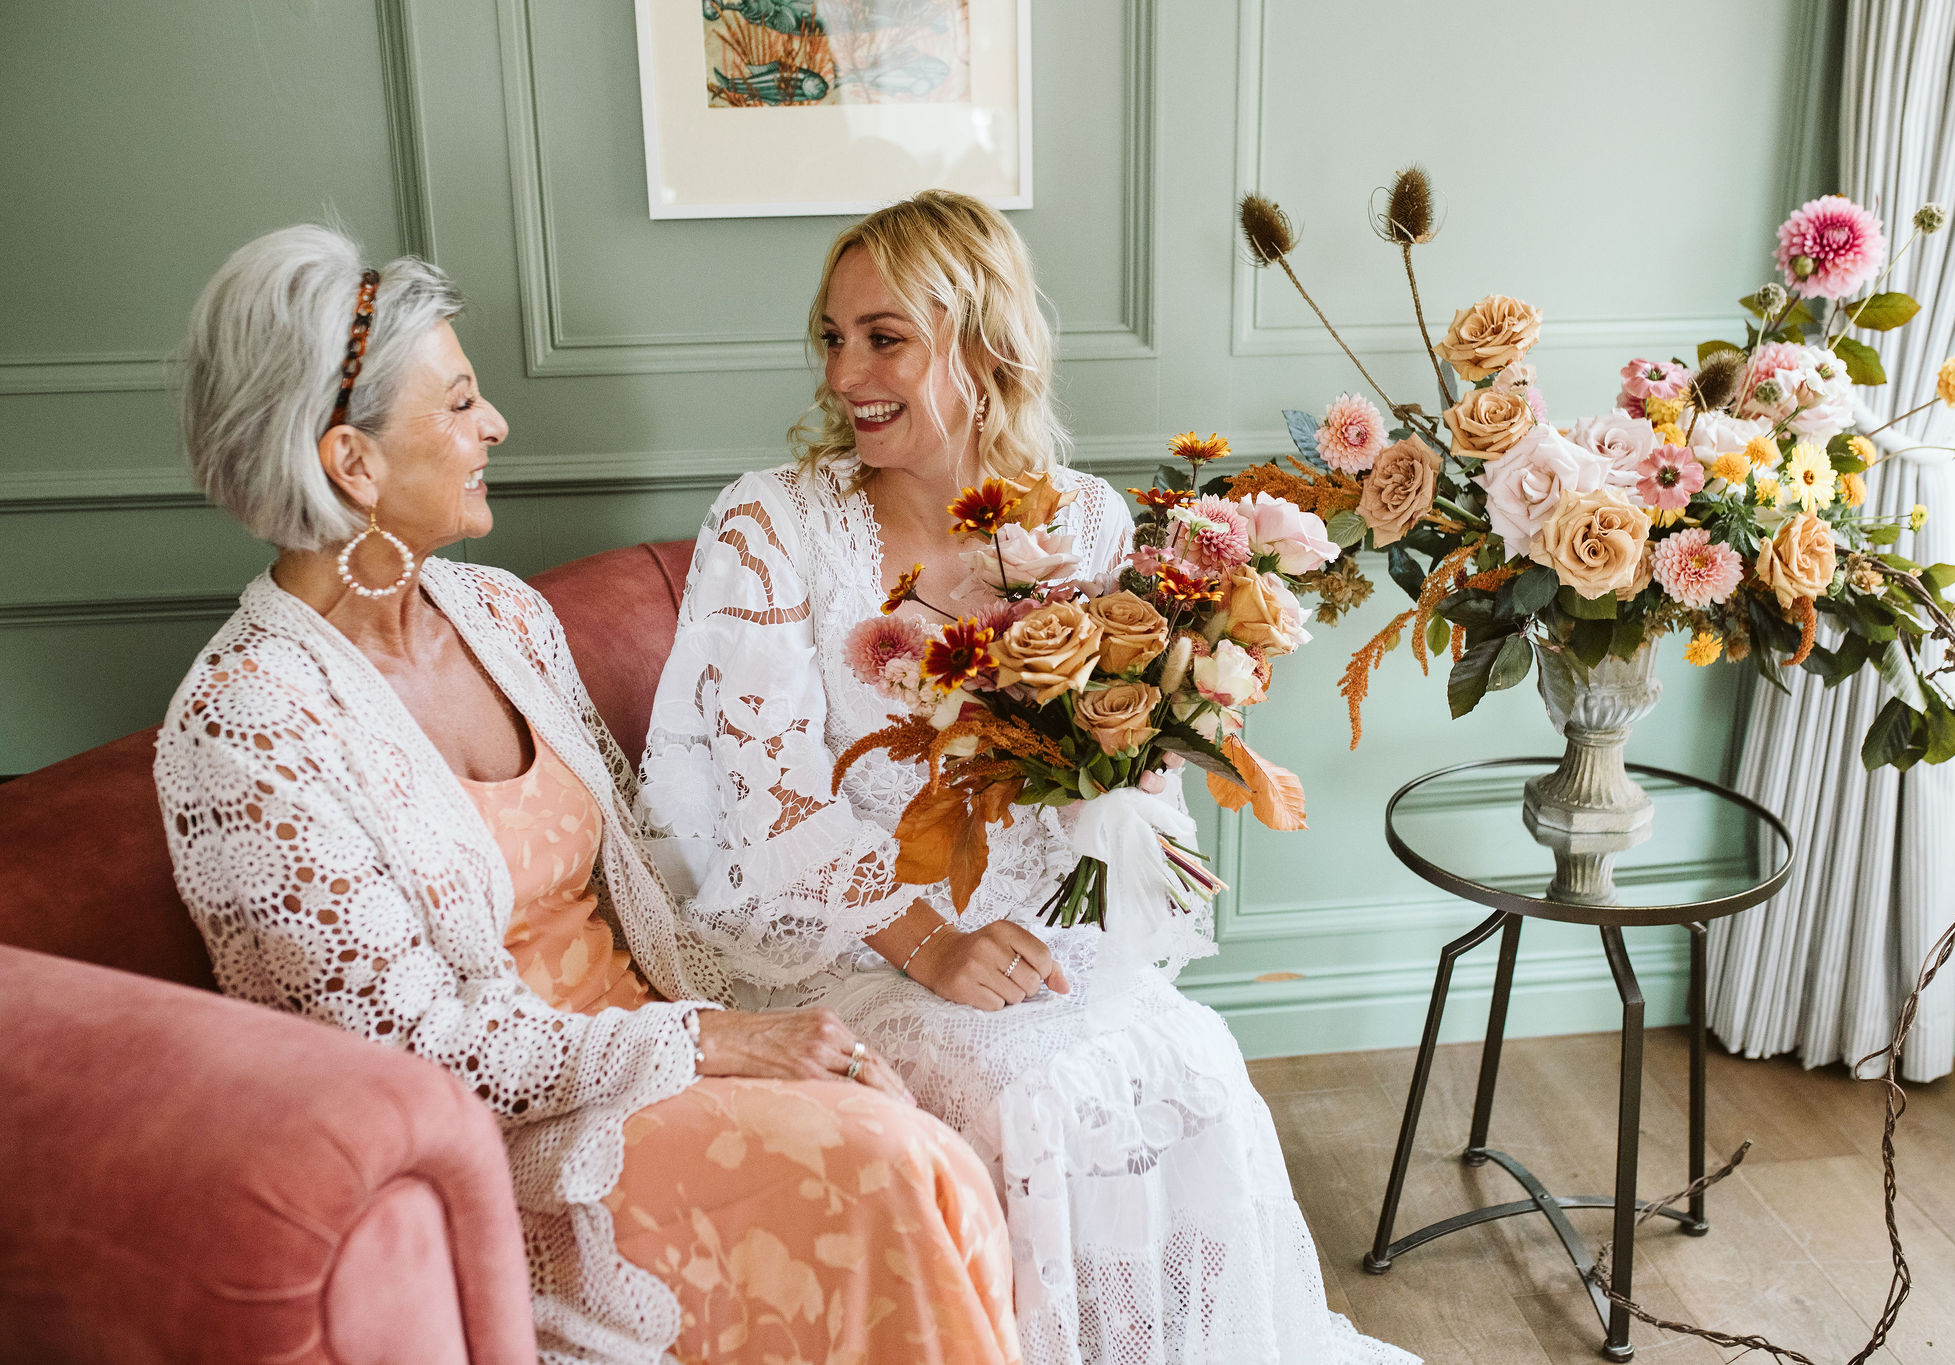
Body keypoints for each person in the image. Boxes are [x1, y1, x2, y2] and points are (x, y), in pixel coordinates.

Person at [154, 225, 1021, 1365]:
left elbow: (646, 889)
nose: (494, 427)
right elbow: (407, 1058)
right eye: (459, 404)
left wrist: (818, 989)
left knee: (931, 1139)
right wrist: (709, 1044)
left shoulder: (500, 614)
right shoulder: (247, 724)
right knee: (888, 1169)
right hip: (519, 1137)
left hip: (652, 1035)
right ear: (351, 465)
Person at [637, 191, 1417, 1364]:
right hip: (842, 939)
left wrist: (1129, 842)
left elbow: (1123, 761)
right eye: (833, 337)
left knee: (1196, 1062)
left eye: (883, 335)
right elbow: (765, 811)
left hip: (1048, 922)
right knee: (1031, 1102)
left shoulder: (1086, 522)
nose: (847, 372)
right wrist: (924, 943)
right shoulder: (769, 524)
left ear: (980, 341)